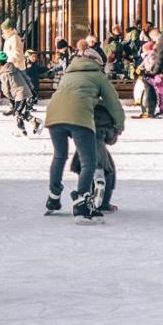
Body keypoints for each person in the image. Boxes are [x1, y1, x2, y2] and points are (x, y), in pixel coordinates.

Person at [44, 55, 125, 224]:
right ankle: (81, 201)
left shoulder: (68, 74)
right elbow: (113, 102)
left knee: (59, 156)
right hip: (79, 117)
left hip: (53, 116)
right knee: (89, 161)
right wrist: (119, 124)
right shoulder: (98, 76)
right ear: (97, 63)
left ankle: (54, 196)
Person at [0, 50, 40, 135]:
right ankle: (35, 122)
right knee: (21, 113)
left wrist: (11, 98)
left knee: (17, 113)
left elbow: (5, 90)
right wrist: (31, 90)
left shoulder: (3, 74)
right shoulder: (14, 68)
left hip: (20, 95)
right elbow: (26, 79)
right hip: (26, 92)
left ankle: (22, 131)